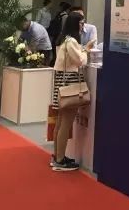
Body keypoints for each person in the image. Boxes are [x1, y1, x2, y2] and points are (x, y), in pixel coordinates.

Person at [51, 12, 95, 171]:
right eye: (81, 22)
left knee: (60, 122)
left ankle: (57, 156)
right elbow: (80, 61)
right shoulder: (72, 41)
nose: (83, 26)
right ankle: (60, 160)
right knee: (66, 123)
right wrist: (87, 50)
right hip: (70, 82)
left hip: (62, 82)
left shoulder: (64, 40)